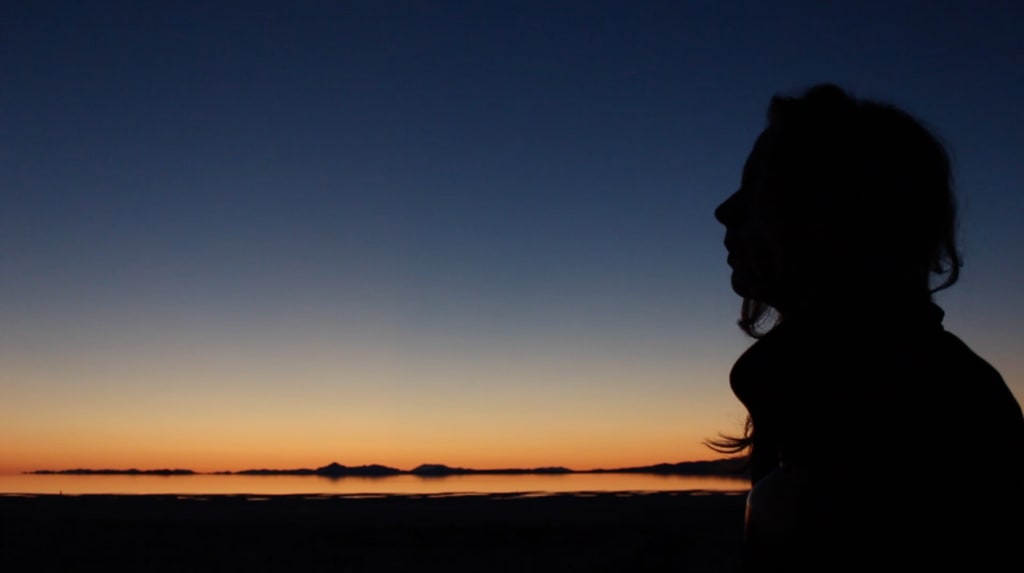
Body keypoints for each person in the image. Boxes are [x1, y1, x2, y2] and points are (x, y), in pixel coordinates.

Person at [709, 84, 1024, 571]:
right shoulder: (810, 401)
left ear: (839, 214)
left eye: (761, 189)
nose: (725, 210)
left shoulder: (923, 408)